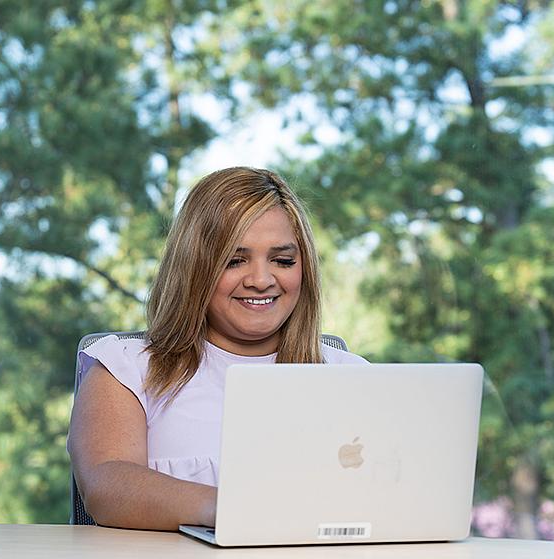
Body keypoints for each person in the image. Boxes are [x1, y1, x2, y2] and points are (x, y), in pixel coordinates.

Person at [67, 167, 368, 531]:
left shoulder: (352, 375)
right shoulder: (124, 368)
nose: (261, 280)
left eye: (283, 260)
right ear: (194, 268)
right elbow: (107, 488)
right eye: (234, 260)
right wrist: (241, 511)